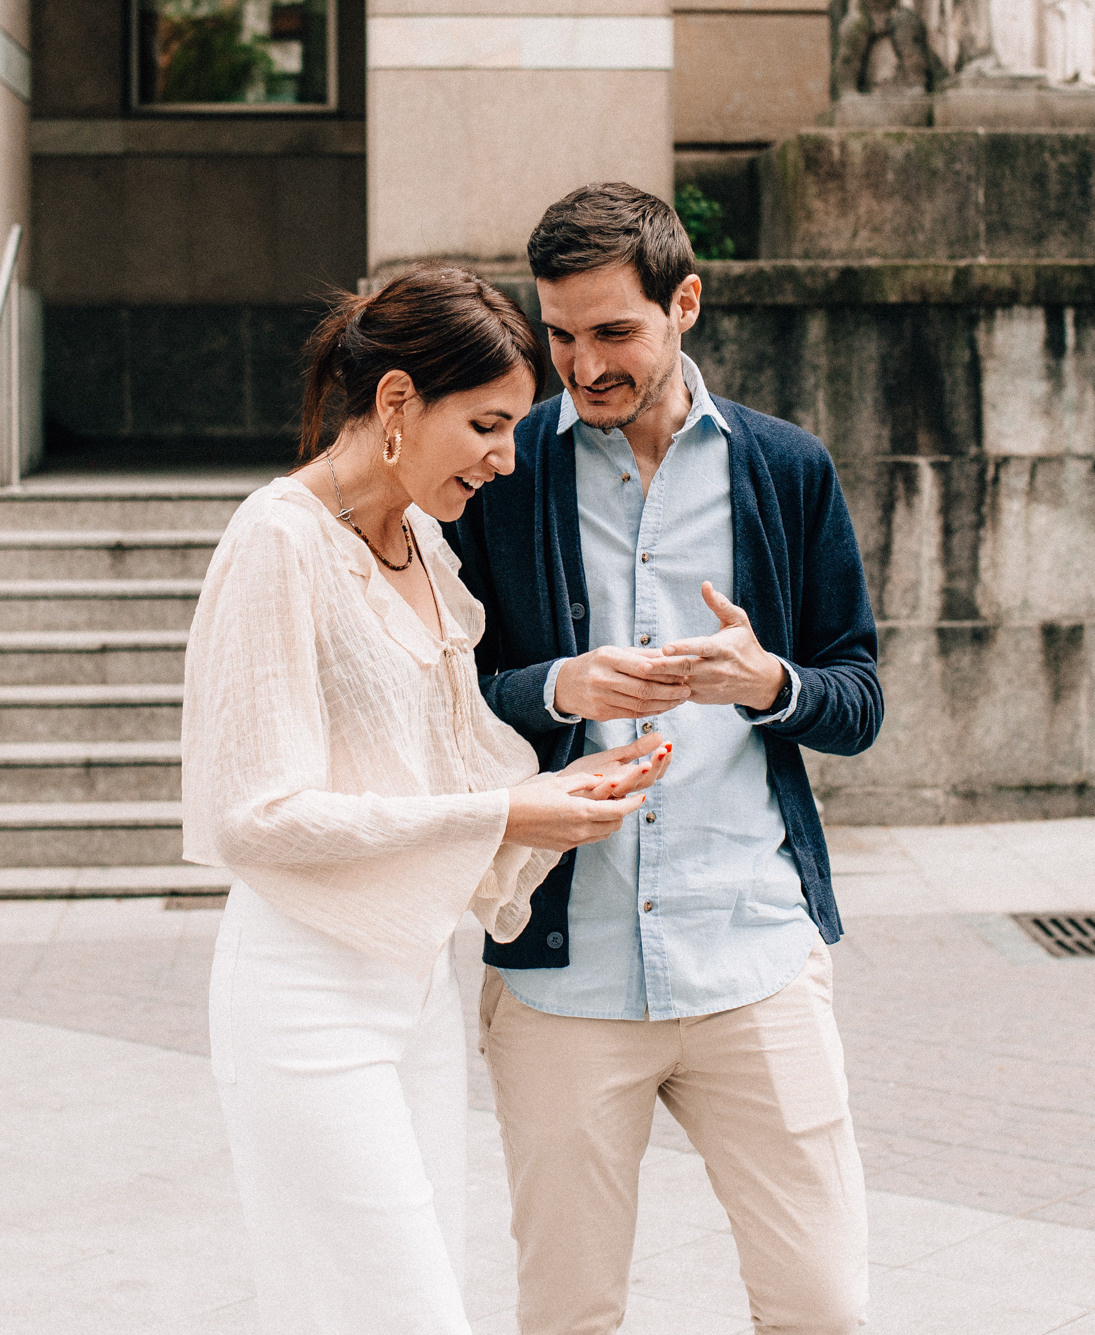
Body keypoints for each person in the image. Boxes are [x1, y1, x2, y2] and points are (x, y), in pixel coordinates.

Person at [181, 264, 673, 1335]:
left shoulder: (423, 549)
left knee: (404, 1296)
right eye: (488, 424)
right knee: (398, 1308)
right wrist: (507, 815)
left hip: (412, 989)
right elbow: (253, 814)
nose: (506, 459)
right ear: (396, 402)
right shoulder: (277, 539)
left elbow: (453, 771)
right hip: (303, 992)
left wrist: (560, 788)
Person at [445, 183, 885, 1335]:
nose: (580, 366)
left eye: (611, 333)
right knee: (568, 1313)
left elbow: (858, 697)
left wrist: (768, 683)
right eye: (558, 334)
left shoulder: (785, 470)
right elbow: (434, 701)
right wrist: (555, 687)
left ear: (682, 304)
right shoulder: (503, 475)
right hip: (561, 975)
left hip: (751, 955)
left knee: (823, 1307)